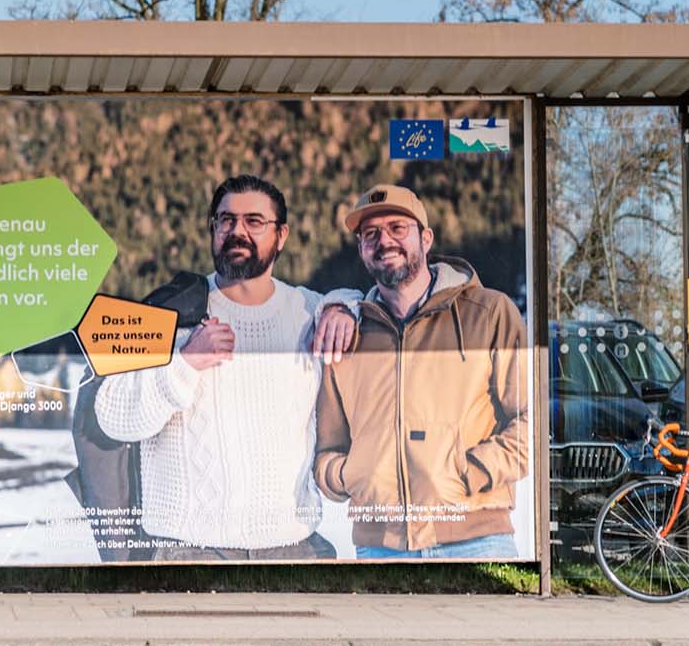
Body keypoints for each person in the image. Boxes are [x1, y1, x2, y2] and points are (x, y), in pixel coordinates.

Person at [91, 174, 358, 560]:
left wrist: (342, 306)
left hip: (293, 549)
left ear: (281, 235)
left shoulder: (311, 311)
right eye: (226, 220)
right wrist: (185, 362)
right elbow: (113, 417)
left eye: (254, 221)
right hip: (190, 554)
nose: (237, 231)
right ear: (212, 229)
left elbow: (359, 302)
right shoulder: (171, 311)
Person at [313, 184, 530, 558]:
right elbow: (329, 445)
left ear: (426, 239)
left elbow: (531, 421)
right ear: (362, 249)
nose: (385, 241)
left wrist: (470, 472)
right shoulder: (346, 332)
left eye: (398, 228)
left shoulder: (490, 313)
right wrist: (349, 475)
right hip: (380, 549)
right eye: (371, 234)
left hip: (477, 540)